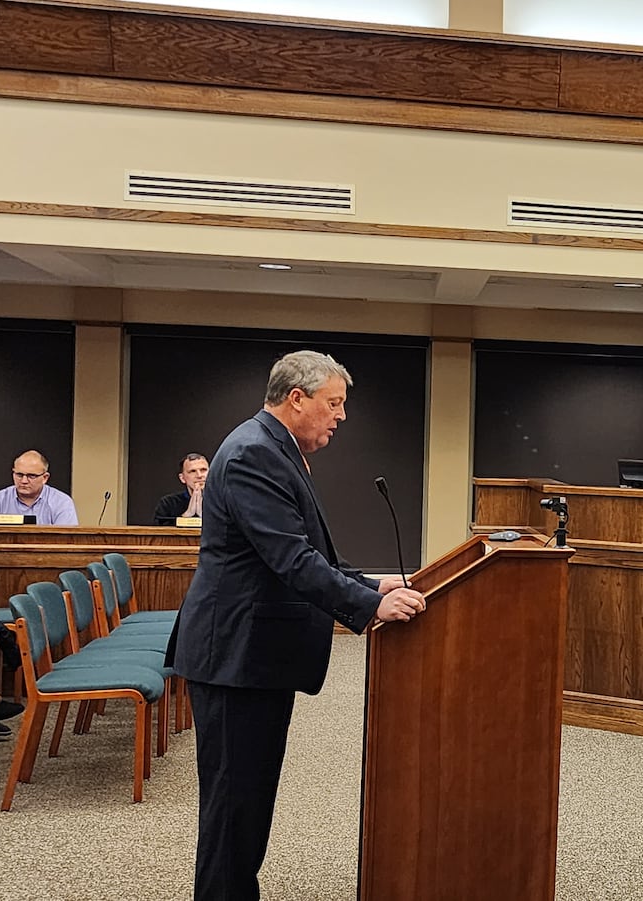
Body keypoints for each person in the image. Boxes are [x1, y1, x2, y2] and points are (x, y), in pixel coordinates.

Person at [167, 350, 427, 901]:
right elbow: (291, 560)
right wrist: (368, 606)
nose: (341, 416)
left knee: (249, 800)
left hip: (255, 655)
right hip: (236, 656)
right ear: (297, 399)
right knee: (233, 808)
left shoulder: (272, 448)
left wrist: (369, 584)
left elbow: (305, 553)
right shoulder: (252, 455)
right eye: (334, 404)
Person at [0, 450, 78, 525]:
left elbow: (66, 541)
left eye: (31, 476)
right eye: (19, 475)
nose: (23, 481)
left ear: (45, 478)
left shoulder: (62, 503)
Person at [153, 453, 210, 525]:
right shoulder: (168, 503)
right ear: (182, 478)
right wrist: (186, 516)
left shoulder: (222, 501)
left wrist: (205, 517)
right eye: (192, 471)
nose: (199, 475)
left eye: (203, 470)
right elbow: (158, 530)